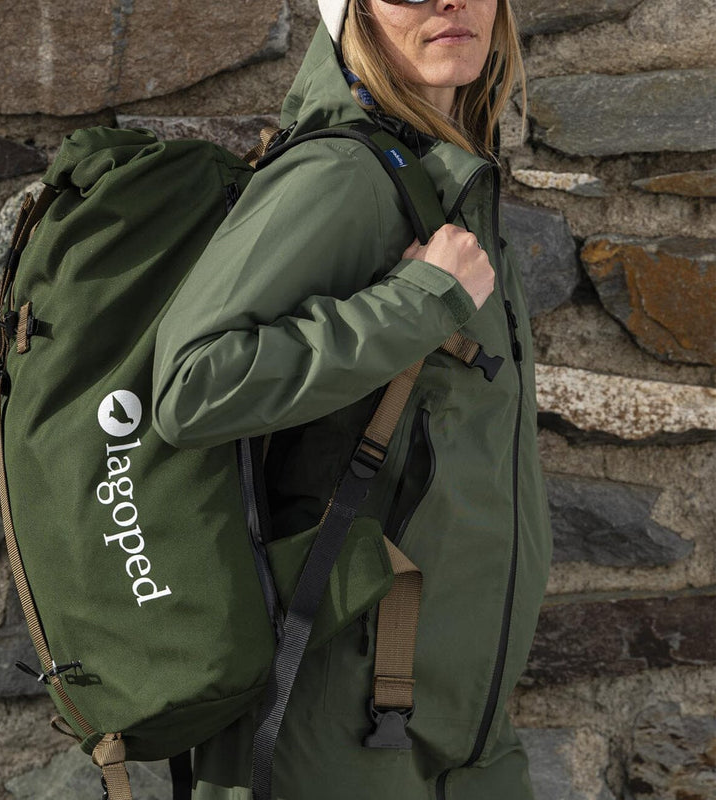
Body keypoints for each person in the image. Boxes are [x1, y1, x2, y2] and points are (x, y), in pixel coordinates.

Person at [152, 1, 552, 798]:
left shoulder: (444, 169)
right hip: (345, 721)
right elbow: (191, 385)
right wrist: (417, 304)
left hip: (461, 720)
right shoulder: (341, 174)